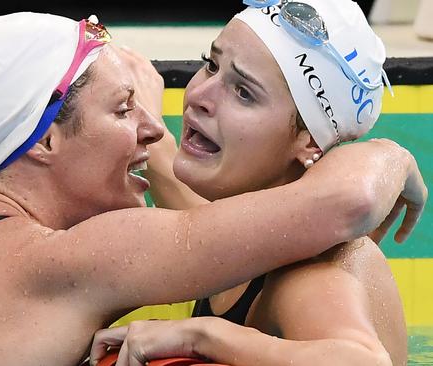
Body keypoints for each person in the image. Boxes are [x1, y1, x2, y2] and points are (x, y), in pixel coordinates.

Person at [0, 10, 426, 366]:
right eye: (126, 111)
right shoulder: (77, 259)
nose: (169, 116)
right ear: (44, 142)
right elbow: (335, 200)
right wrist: (388, 150)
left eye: (242, 89)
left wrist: (204, 336)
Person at [88, 1, 425, 366]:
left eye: (244, 92)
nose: (199, 96)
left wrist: (201, 336)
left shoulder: (313, 269)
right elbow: (196, 228)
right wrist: (142, 126)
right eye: (211, 64)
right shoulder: (257, 240)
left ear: (310, 141)